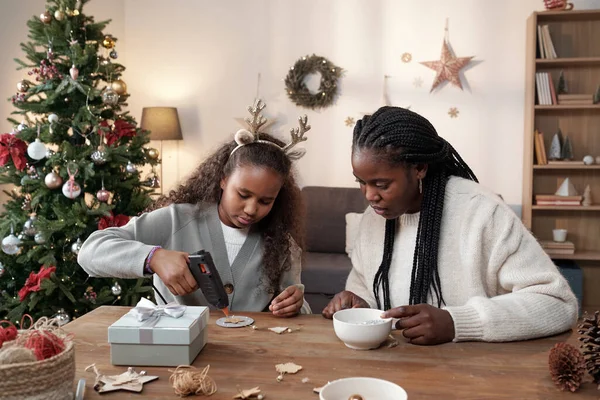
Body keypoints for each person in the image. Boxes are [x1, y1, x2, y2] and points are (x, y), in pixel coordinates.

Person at [322, 106, 578, 344]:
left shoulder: (482, 213)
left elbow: (557, 303)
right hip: (394, 371)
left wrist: (457, 322)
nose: (368, 195)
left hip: (475, 376)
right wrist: (358, 302)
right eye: (361, 182)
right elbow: (365, 287)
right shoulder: (372, 219)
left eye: (381, 185)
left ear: (419, 168)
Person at [78, 100, 311, 317]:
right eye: (243, 194)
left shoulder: (282, 244)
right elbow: (90, 252)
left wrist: (297, 305)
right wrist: (153, 258)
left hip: (250, 354)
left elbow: (299, 314)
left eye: (265, 201)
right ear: (223, 179)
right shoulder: (175, 220)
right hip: (177, 352)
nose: (251, 209)